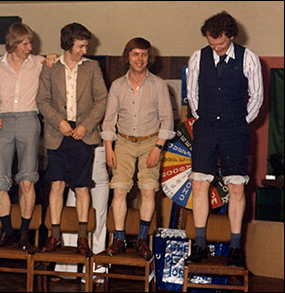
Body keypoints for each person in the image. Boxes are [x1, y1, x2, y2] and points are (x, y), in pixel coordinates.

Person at [186, 11, 263, 266]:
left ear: (231, 36)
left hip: (236, 130)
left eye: (220, 44)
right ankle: (199, 244)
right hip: (206, 127)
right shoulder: (198, 57)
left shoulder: (248, 58)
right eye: (211, 44)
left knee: (237, 188)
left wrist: (240, 122)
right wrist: (204, 118)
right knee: (199, 185)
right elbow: (193, 95)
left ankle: (234, 248)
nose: (216, 48)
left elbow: (257, 97)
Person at [36, 22, 107, 256]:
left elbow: (102, 100)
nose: (84, 51)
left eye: (86, 46)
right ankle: (54, 235)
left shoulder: (93, 67)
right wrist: (60, 122)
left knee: (82, 186)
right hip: (58, 133)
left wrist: (86, 126)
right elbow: (42, 101)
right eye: (80, 46)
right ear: (68, 44)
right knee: (56, 185)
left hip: (83, 134)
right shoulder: (50, 66)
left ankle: (82, 237)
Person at [101, 37, 175, 260]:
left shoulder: (159, 85)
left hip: (150, 143)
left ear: (148, 57)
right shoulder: (116, 85)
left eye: (144, 54)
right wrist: (109, 148)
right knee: (119, 190)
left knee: (148, 190)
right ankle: (120, 238)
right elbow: (108, 120)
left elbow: (167, 120)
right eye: (135, 54)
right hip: (122, 143)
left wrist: (158, 148)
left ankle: (143, 238)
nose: (140, 59)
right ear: (128, 56)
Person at [0, 22, 56, 249]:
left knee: (27, 180)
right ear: (13, 43)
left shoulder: (39, 63)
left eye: (30, 43)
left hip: (29, 119)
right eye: (25, 43)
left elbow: (56, 66)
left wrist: (54, 59)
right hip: (3, 121)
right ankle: (8, 232)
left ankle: (25, 233)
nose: (29, 47)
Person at [54, 144, 110, 278]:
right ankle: (66, 270)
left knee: (98, 223)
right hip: (78, 170)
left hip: (100, 169)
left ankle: (95, 273)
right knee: (71, 220)